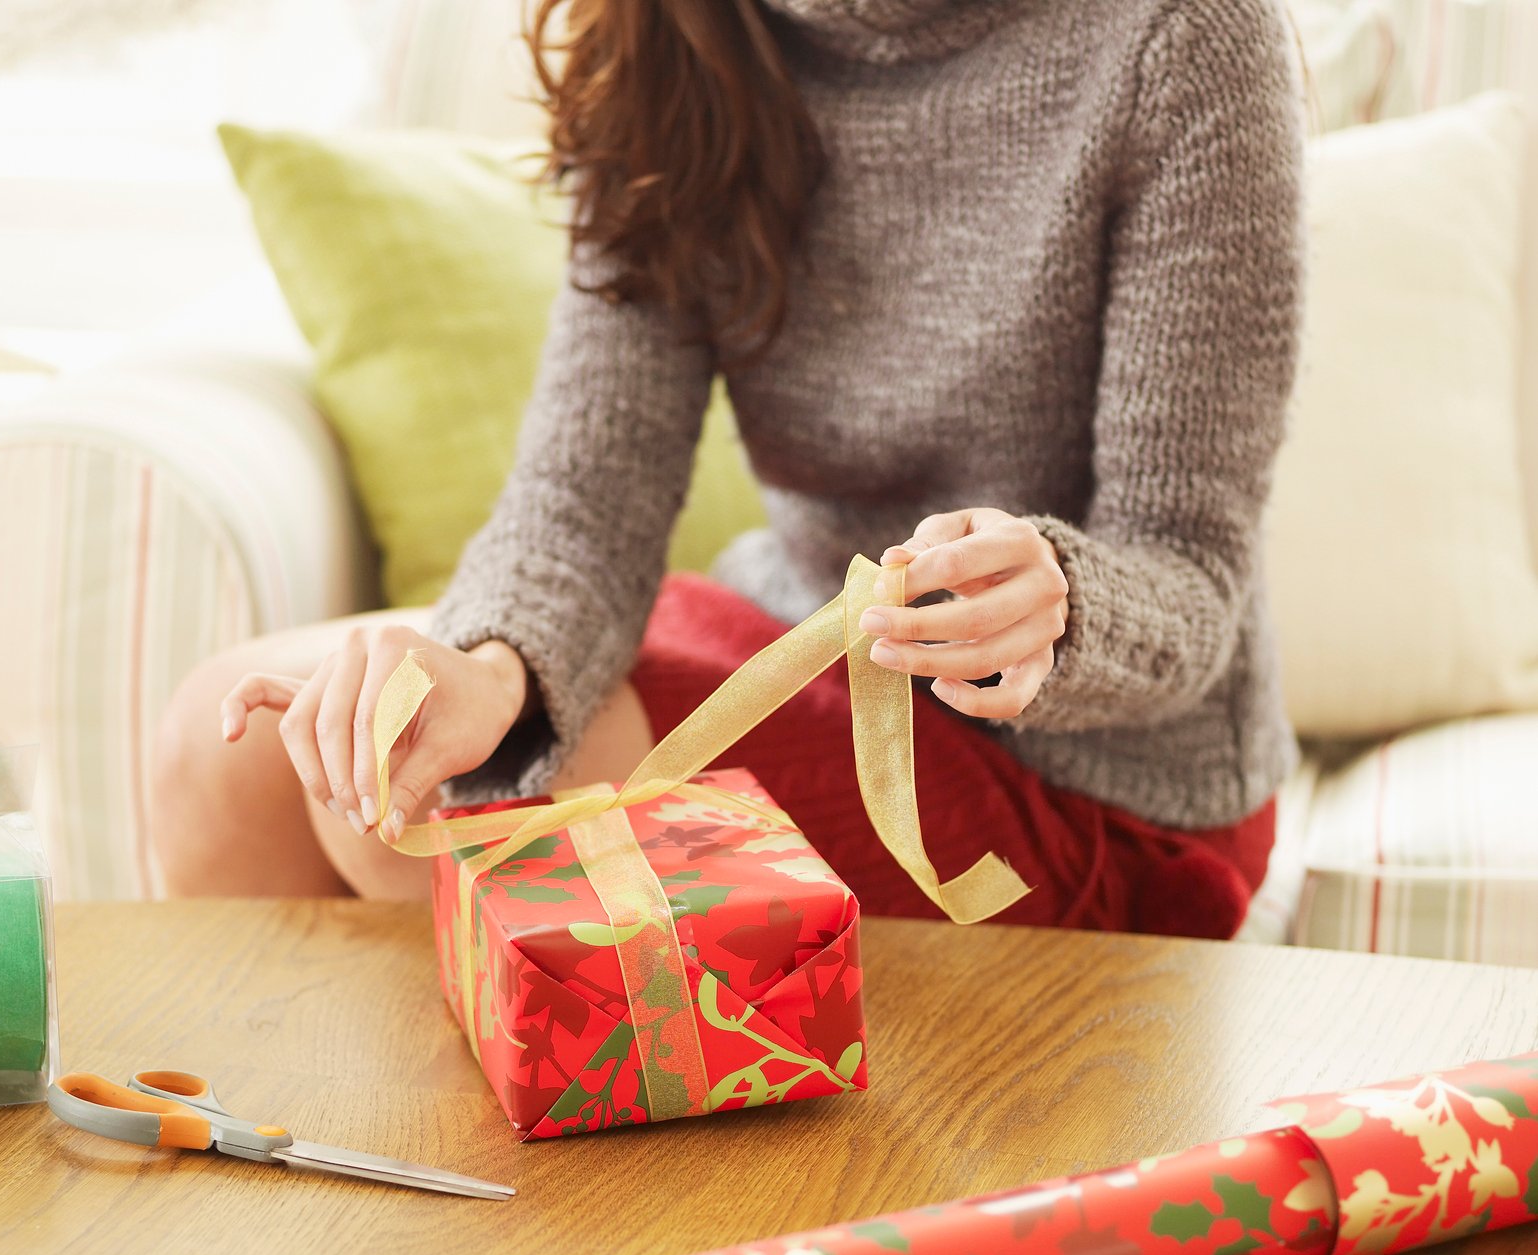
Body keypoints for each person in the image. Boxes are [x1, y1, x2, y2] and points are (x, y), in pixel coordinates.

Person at [154, 0, 1305, 940]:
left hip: (1098, 784)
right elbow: (580, 502)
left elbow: (1189, 574)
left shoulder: (1181, 36)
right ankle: (340, 1199)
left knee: (419, 813)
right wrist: (486, 671)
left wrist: (1058, 609)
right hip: (794, 643)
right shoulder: (678, 34)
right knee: (253, 744)